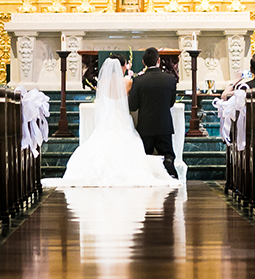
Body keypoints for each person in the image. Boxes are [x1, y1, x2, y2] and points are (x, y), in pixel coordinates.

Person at [42, 56, 178, 188]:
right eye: (125, 65)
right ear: (121, 66)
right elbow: (132, 105)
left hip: (107, 120)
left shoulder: (102, 83)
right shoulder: (127, 82)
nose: (126, 67)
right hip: (122, 119)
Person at [127, 48, 180, 180]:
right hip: (164, 126)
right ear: (158, 61)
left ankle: (147, 177)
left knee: (145, 155)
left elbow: (133, 106)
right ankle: (170, 171)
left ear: (144, 62)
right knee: (168, 153)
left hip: (146, 127)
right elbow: (171, 103)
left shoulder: (139, 81)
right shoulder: (170, 79)